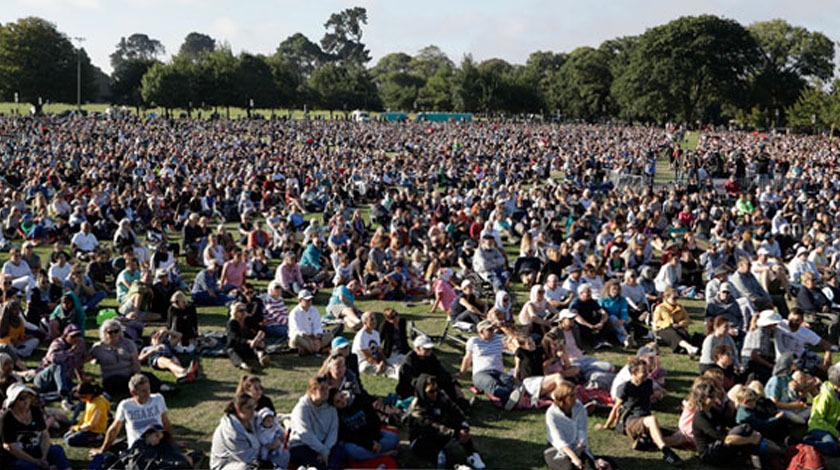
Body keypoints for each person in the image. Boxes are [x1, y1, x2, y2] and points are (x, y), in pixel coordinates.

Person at [597, 357, 685, 466]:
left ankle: (649, 442)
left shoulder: (648, 383)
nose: (647, 374)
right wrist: (607, 425)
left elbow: (654, 395)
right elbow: (616, 408)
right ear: (634, 373)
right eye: (643, 372)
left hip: (646, 421)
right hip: (630, 422)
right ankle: (666, 451)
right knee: (652, 420)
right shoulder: (625, 388)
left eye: (647, 371)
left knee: (681, 436)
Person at [408, 374, 486, 469]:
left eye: (436, 390)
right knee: (439, 455)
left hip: (441, 433)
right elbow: (431, 425)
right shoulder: (417, 407)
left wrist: (463, 427)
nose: (435, 394)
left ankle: (471, 454)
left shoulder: (441, 396)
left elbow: (455, 410)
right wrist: (453, 433)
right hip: (422, 438)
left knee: (460, 427)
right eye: (431, 392)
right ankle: (456, 466)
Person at [94, 373, 172, 456]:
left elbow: (165, 422)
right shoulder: (125, 406)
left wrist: (172, 443)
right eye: (143, 391)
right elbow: (114, 429)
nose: (147, 393)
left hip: (159, 443)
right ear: (133, 393)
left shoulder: (158, 399)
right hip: (138, 448)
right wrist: (103, 449)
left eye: (148, 389)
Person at [88, 318, 168, 396]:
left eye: (116, 331)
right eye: (110, 332)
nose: (114, 334)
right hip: (111, 377)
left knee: (148, 376)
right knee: (116, 382)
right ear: (104, 333)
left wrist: (138, 376)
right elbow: (85, 359)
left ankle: (163, 388)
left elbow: (135, 361)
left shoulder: (128, 343)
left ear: (120, 331)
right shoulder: (98, 347)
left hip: (129, 374)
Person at [0, 383, 71, 470]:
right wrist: (35, 461)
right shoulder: (6, 418)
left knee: (57, 450)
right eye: (22, 398)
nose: (26, 401)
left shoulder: (35, 411)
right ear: (14, 401)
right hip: (19, 455)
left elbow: (44, 434)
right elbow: (11, 447)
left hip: (37, 448)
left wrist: (43, 457)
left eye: (28, 397)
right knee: (21, 465)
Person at [459, 319, 521, 411]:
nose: (492, 332)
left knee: (507, 381)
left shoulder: (498, 339)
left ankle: (510, 400)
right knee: (492, 384)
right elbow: (467, 358)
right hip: (481, 373)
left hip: (498, 372)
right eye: (489, 330)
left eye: (493, 329)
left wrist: (502, 327)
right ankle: (514, 396)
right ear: (481, 331)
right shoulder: (474, 341)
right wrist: (462, 373)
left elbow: (516, 338)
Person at [398, 335, 469, 411]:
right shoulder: (408, 362)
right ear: (418, 348)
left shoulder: (430, 357)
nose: (429, 351)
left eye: (430, 349)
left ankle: (459, 401)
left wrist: (454, 383)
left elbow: (441, 371)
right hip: (412, 390)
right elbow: (414, 382)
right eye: (426, 349)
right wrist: (432, 384)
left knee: (447, 381)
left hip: (430, 383)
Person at [330, 388, 399, 465]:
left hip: (371, 434)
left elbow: (374, 419)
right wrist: (369, 444)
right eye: (338, 402)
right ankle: (382, 454)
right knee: (349, 450)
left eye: (342, 397)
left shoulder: (359, 399)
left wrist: (374, 440)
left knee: (393, 438)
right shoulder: (337, 414)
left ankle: (370, 454)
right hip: (358, 441)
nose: (342, 401)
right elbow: (348, 435)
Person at [288, 376, 339, 470]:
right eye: (322, 389)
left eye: (327, 388)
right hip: (302, 445)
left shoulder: (331, 408)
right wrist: (322, 450)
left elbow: (333, 430)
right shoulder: (301, 408)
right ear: (312, 391)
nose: (326, 391)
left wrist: (326, 449)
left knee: (340, 450)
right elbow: (305, 434)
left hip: (324, 445)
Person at [545, 380, 596, 470]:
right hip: (557, 449)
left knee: (589, 467)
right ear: (563, 397)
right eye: (572, 396)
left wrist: (580, 445)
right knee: (570, 467)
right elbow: (558, 440)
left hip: (577, 446)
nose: (575, 398)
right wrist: (574, 457)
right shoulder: (551, 413)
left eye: (575, 394)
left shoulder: (579, 407)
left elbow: (582, 429)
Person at [33, 323, 87, 410]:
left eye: (77, 335)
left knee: (80, 389)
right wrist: (70, 352)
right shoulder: (57, 343)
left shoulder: (80, 345)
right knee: (59, 364)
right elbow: (54, 359)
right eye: (72, 336)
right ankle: (65, 397)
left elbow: (79, 364)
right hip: (44, 379)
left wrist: (82, 381)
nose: (76, 338)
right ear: (66, 336)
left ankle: (49, 396)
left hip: (62, 381)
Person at [210, 392, 261, 470]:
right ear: (238, 409)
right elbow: (248, 458)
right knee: (246, 467)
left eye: (253, 406)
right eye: (248, 407)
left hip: (248, 457)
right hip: (227, 464)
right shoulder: (232, 432)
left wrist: (285, 419)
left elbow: (269, 419)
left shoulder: (249, 417)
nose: (253, 410)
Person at [802, 364, 840, 457]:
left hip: (833, 425)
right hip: (819, 427)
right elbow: (818, 419)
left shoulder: (837, 392)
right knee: (832, 448)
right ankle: (806, 442)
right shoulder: (826, 396)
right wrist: (837, 434)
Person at [652, 287, 700, 356]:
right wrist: (669, 324)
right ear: (666, 298)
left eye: (677, 298)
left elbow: (687, 319)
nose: (676, 300)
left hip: (678, 327)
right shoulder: (660, 308)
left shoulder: (680, 307)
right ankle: (689, 347)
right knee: (673, 333)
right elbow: (656, 322)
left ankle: (688, 348)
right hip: (663, 329)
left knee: (683, 332)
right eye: (674, 298)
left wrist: (680, 324)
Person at [353, 311, 399, 379]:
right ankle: (388, 372)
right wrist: (378, 364)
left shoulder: (376, 334)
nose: (374, 321)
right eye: (371, 319)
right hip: (363, 361)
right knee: (365, 367)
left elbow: (379, 351)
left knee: (393, 361)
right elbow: (368, 357)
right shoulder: (361, 336)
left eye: (374, 319)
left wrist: (383, 361)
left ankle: (390, 369)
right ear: (364, 322)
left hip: (375, 358)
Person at [226, 302, 269, 372]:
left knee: (260, 342)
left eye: (244, 310)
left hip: (249, 345)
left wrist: (257, 338)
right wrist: (249, 341)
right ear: (235, 312)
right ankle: (244, 365)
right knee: (232, 351)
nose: (243, 312)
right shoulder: (232, 323)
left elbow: (260, 328)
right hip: (237, 345)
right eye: (241, 311)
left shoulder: (248, 319)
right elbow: (235, 338)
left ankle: (261, 357)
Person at [64, 382, 110, 447]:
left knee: (69, 440)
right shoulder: (89, 401)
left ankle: (97, 438)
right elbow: (85, 416)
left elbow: (91, 424)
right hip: (85, 429)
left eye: (83, 397)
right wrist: (77, 426)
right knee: (66, 436)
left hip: (94, 431)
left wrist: (77, 428)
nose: (82, 399)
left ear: (89, 394)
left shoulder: (98, 404)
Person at [289, 290, 333, 356]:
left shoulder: (314, 310)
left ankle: (308, 350)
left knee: (330, 335)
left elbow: (317, 327)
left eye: (310, 300)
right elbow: (298, 331)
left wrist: (317, 339)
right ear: (300, 300)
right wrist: (310, 341)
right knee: (295, 338)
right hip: (301, 338)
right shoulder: (294, 313)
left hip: (313, 337)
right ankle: (317, 350)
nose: (309, 302)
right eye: (307, 300)